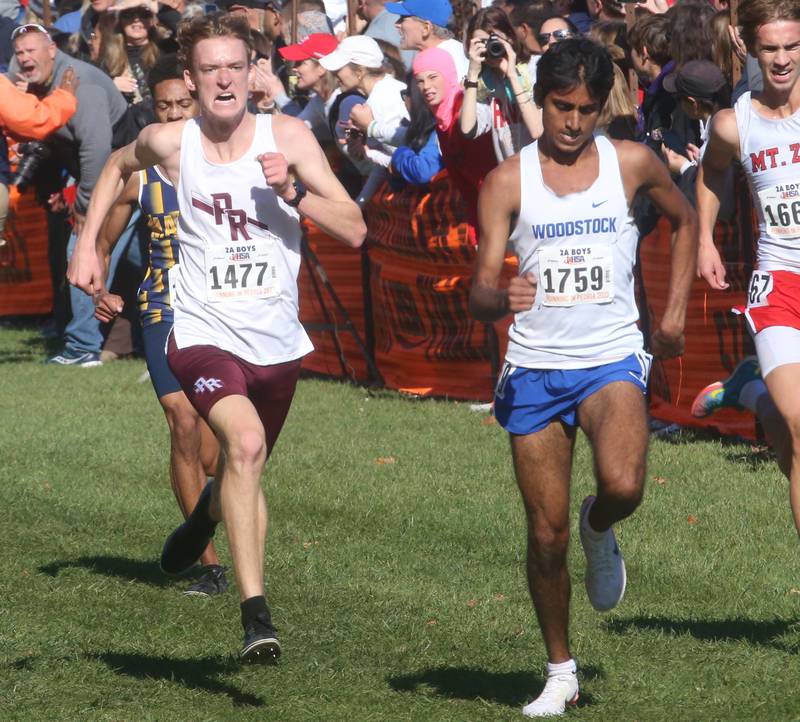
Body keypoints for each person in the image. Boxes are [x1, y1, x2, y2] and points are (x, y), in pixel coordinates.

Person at [68, 12, 366, 662]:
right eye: (210, 69)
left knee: (242, 464)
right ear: (193, 78)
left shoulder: (288, 135)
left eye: (235, 65)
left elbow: (355, 228)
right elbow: (119, 166)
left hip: (276, 343)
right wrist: (88, 246)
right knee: (247, 445)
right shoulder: (171, 141)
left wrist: (292, 193)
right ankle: (255, 613)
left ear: (253, 70)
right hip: (199, 328)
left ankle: (205, 512)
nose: (224, 79)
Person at [469, 38, 697, 717]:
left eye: (586, 110)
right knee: (545, 535)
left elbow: (684, 223)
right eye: (561, 108)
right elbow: (480, 287)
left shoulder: (629, 164)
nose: (572, 123)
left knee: (623, 483)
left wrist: (676, 316)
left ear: (604, 107)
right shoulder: (508, 180)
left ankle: (601, 526)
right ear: (540, 103)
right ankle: (560, 671)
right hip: (536, 366)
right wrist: (497, 297)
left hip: (611, 354)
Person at [87, 54, 227, 598]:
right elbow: (103, 238)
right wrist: (103, 288)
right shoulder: (142, 177)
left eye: (180, 104)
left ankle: (208, 509)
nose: (171, 113)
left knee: (217, 445)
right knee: (182, 424)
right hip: (160, 305)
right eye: (163, 105)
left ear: (196, 103)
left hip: (218, 308)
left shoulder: (221, 163)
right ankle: (210, 565)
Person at [694, 0, 800, 536]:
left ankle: (750, 391)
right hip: (779, 283)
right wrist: (705, 241)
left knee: (791, 448)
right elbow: (712, 174)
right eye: (771, 48)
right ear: (751, 48)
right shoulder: (736, 125)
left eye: (792, 46)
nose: (782, 59)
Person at [9, 23, 140, 364]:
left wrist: (83, 207)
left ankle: (82, 348)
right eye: (19, 53)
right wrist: (53, 189)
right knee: (141, 257)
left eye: (32, 50)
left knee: (83, 249)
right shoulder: (40, 85)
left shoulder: (81, 84)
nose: (24, 58)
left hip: (121, 179)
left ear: (51, 50)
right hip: (101, 181)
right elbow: (51, 138)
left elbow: (97, 154)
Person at [414, 47, 496, 239]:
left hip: (503, 213)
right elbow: (467, 187)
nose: (426, 86)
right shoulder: (442, 122)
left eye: (433, 77)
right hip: (484, 218)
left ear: (448, 75)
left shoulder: (464, 112)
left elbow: (487, 176)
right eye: (420, 80)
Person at [460, 7, 542, 162]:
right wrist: (472, 74)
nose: (489, 47)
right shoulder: (485, 83)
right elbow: (467, 129)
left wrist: (511, 74)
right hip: (510, 176)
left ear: (510, 37)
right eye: (481, 43)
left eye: (494, 40)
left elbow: (537, 130)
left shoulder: (535, 68)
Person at [386, 0, 469, 81]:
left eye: (403, 18)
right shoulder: (440, 54)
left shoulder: (447, 61)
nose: (396, 24)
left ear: (426, 28)